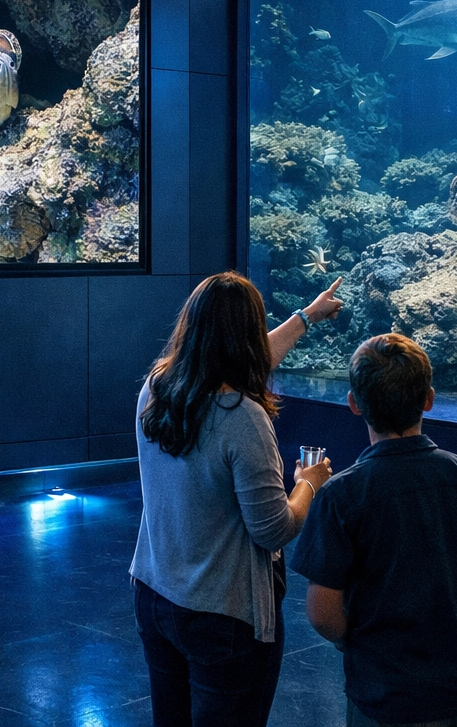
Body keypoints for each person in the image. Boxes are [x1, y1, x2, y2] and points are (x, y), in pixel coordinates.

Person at [130, 273, 344, 727]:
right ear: (246, 335)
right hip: (221, 614)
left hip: (155, 593)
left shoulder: (157, 388)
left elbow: (235, 363)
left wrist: (307, 316)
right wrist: (308, 483)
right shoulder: (242, 417)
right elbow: (274, 530)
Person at [292, 333, 457, 727]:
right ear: (428, 399)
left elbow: (322, 611)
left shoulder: (341, 494)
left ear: (354, 404)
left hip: (386, 697)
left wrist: (358, 643)